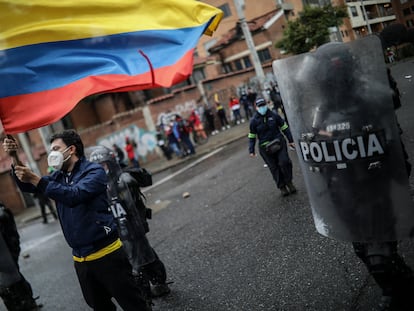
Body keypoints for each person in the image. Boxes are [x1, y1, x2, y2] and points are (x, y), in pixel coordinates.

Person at [3, 130, 151, 311]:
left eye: (56, 149)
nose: (52, 154)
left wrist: (36, 179)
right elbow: (28, 185)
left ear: (71, 149)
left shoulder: (93, 171)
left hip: (108, 255)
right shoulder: (58, 176)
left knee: (133, 304)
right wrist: (14, 157)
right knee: (100, 306)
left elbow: (75, 195)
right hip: (81, 260)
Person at [89, 146, 171, 300]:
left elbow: (131, 206)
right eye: (98, 167)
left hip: (132, 227)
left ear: (110, 163)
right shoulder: (99, 185)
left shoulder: (123, 180)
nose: (101, 169)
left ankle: (156, 284)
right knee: (133, 261)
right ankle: (146, 290)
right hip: (117, 229)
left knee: (143, 258)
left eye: (103, 165)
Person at [248, 98, 296, 196]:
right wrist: (251, 150)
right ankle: (282, 186)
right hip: (265, 148)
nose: (262, 108)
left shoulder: (274, 115)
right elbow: (252, 136)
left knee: (284, 162)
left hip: (279, 143)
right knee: (274, 167)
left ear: (266, 105)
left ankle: (289, 182)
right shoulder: (253, 121)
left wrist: (291, 140)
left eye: (263, 105)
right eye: (260, 106)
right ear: (256, 108)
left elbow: (284, 127)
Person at [0, 202, 42, 310]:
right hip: (7, 255)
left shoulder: (3, 212)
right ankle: (25, 304)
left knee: (12, 281)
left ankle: (27, 304)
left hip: (7, 253)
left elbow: (11, 233)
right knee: (9, 284)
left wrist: (14, 252)